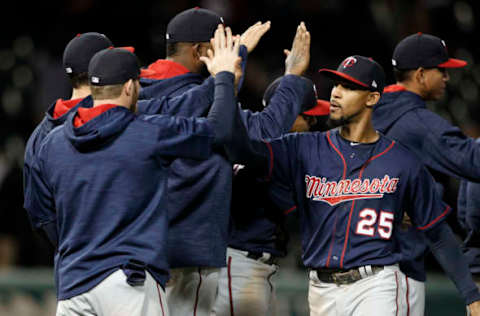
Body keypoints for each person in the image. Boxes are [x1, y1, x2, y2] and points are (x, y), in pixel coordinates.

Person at [225, 55, 480, 316]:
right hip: (320, 289)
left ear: (372, 98)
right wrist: (228, 86)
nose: (335, 93)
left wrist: (471, 295)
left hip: (376, 284)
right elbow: (241, 146)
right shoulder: (304, 148)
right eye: (336, 84)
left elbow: (437, 233)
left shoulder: (401, 160)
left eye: (348, 87)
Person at [23, 26, 241, 316]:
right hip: (129, 282)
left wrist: (78, 246)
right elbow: (218, 132)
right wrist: (224, 77)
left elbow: (41, 215)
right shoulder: (147, 131)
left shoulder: (49, 143)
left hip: (73, 285)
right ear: (128, 87)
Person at [138, 7, 310, 316]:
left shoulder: (133, 92)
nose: (228, 52)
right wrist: (291, 78)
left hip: (144, 250)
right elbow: (262, 132)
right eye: (221, 46)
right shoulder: (199, 103)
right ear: (201, 51)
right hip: (189, 255)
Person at [372, 32, 480, 315]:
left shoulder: (366, 113)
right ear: (420, 75)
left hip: (349, 264)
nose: (446, 78)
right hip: (397, 271)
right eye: (441, 70)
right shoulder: (417, 123)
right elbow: (474, 162)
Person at [212, 76, 330, 316]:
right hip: (240, 265)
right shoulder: (264, 159)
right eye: (305, 114)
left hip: (248, 265)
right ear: (284, 115)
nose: (313, 120)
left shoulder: (266, 150)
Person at [23, 32, 114, 246]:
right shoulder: (118, 121)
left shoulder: (39, 136)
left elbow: (39, 213)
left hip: (71, 263)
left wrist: (70, 246)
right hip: (121, 262)